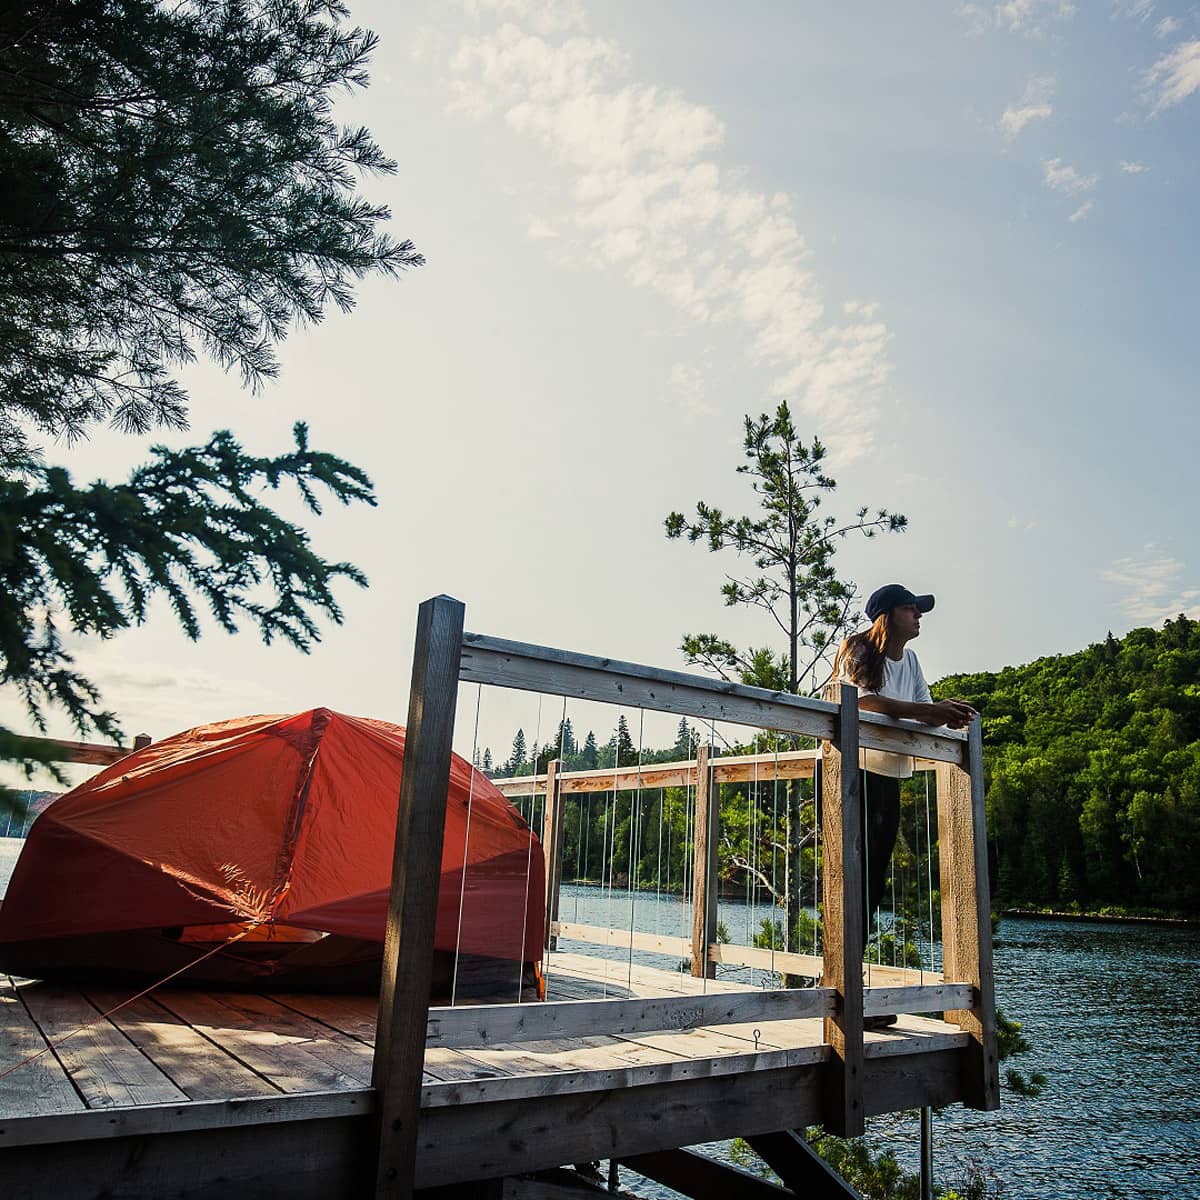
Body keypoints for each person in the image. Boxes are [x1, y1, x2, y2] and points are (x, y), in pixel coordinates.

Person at [827, 583, 977, 1026]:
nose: (919, 616)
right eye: (913, 609)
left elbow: (923, 708)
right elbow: (859, 699)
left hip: (890, 775)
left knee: (871, 885)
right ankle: (842, 993)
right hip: (852, 774)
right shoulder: (857, 648)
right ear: (887, 616)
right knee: (852, 880)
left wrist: (946, 717)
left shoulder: (910, 660)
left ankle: (850, 992)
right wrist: (923, 713)